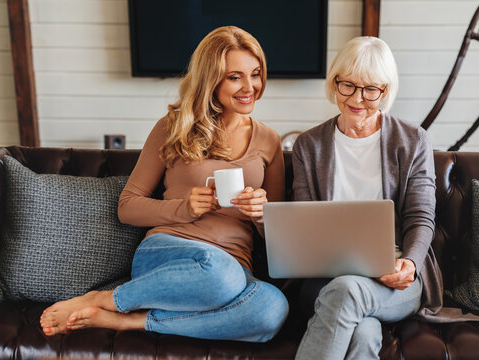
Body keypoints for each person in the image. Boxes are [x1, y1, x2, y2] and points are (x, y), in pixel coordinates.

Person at [40, 26, 289, 341]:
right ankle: (104, 298)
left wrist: (262, 214)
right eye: (235, 77)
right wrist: (184, 209)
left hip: (234, 268)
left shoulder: (269, 140)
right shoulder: (173, 127)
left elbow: (280, 239)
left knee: (272, 310)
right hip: (170, 252)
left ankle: (128, 321)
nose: (250, 86)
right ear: (210, 80)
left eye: (255, 74)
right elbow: (127, 207)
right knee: (219, 273)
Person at [293, 36, 440, 359]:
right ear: (335, 83)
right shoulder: (308, 146)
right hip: (325, 279)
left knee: (348, 295)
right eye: (348, 85)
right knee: (363, 330)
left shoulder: (413, 140)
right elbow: (304, 225)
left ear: (385, 92)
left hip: (394, 279)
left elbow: (420, 216)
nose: (358, 98)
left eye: (371, 89)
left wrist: (410, 263)